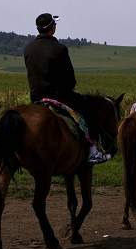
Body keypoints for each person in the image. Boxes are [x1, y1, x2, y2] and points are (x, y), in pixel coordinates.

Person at [24, 12, 110, 164]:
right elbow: (70, 80)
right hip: (57, 97)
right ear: (52, 28)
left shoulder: (28, 48)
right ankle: (93, 150)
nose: (55, 26)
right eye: (54, 24)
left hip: (36, 97)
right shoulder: (59, 49)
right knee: (87, 109)